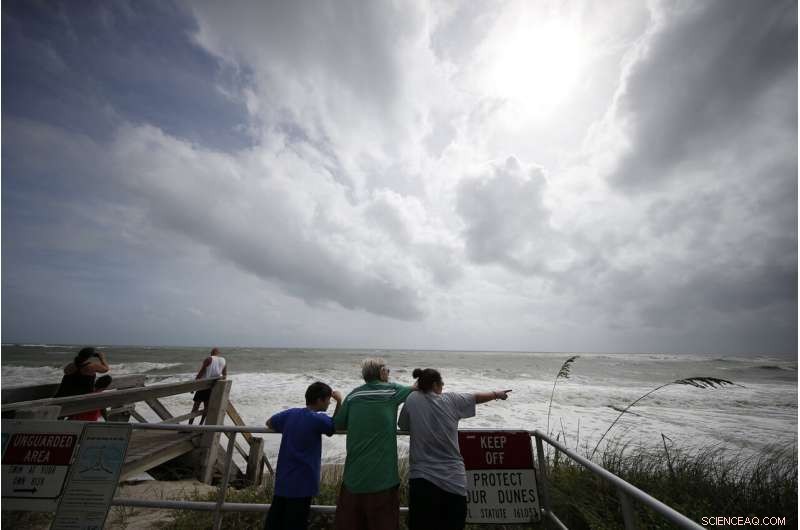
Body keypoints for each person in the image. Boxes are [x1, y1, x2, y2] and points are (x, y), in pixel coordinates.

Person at [398, 368, 511, 530]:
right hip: (453, 481)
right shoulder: (452, 400)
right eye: (441, 383)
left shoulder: (412, 399)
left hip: (421, 480)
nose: (443, 387)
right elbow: (476, 397)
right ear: (436, 384)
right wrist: (496, 394)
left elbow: (403, 425)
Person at [333, 358, 415, 530]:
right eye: (387, 370)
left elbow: (338, 425)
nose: (389, 373)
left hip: (353, 480)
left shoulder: (354, 395)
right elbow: (416, 387)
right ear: (381, 372)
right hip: (383, 480)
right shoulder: (392, 391)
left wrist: (339, 400)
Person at [264, 382, 343, 530]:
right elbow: (334, 426)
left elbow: (269, 422)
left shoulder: (290, 414)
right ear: (319, 400)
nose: (328, 404)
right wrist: (340, 401)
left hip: (283, 481)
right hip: (302, 483)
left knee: (275, 522)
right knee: (295, 523)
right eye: (328, 400)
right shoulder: (318, 419)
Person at [189, 348, 227, 425]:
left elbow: (200, 373)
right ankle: (201, 425)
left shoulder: (209, 359)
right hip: (213, 386)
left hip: (203, 386)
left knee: (195, 407)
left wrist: (194, 386)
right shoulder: (223, 361)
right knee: (206, 408)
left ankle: (189, 425)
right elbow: (225, 375)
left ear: (211, 352)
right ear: (218, 353)